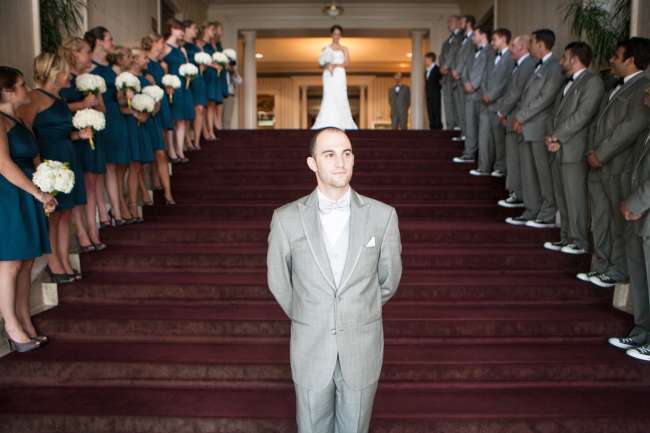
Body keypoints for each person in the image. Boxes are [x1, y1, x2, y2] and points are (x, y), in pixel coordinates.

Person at [267, 127, 402, 433]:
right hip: (310, 346)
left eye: (347, 153)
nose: (340, 162)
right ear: (312, 163)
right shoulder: (285, 219)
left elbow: (389, 280)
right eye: (329, 154)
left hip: (362, 347)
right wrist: (310, 313)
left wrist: (356, 309)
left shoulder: (383, 217)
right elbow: (279, 282)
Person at [578, 37, 650, 289]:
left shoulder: (643, 87)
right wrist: (590, 151)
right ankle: (602, 265)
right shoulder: (613, 87)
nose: (611, 60)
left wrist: (601, 154)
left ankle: (617, 269)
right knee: (598, 219)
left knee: (616, 222)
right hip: (597, 164)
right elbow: (597, 125)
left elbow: (630, 128)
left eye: (616, 56)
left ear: (631, 61)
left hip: (617, 167)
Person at [20, 52, 90, 283]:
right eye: (65, 70)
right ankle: (54, 263)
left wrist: (78, 134)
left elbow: (61, 132)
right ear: (56, 73)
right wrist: (40, 166)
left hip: (68, 156)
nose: (69, 74)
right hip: (49, 161)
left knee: (66, 213)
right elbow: (26, 132)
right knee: (54, 214)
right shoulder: (35, 97)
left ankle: (64, 260)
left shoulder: (60, 99)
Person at [0, 66, 56, 352]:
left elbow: (33, 156)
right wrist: (36, 191)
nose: (27, 89)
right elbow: (4, 164)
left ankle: (24, 318)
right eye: (21, 85)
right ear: (7, 91)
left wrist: (47, 186)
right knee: (10, 263)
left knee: (27, 260)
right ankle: (11, 324)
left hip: (27, 192)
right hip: (8, 194)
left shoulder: (18, 119)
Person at [543, 42, 604, 256]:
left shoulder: (592, 81)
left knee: (575, 197)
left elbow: (583, 115)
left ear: (575, 59)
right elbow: (554, 113)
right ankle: (566, 237)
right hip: (557, 148)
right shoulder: (566, 83)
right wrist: (550, 136)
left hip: (574, 149)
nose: (561, 61)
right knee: (562, 196)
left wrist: (557, 135)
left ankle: (579, 241)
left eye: (564, 57)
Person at [507, 29, 563, 228]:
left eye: (532, 41)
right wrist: (520, 119)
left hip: (539, 128)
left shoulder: (554, 67)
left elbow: (545, 98)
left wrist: (520, 117)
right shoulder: (537, 67)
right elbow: (527, 96)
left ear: (541, 44)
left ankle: (547, 213)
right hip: (527, 127)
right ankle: (531, 210)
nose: (529, 45)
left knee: (543, 174)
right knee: (529, 173)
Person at [60, 37, 107, 253]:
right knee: (79, 186)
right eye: (87, 51)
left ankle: (93, 229)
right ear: (75, 53)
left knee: (91, 185)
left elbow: (103, 111)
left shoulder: (90, 80)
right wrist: (81, 104)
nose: (90, 56)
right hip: (74, 138)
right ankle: (81, 232)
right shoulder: (63, 79)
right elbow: (57, 110)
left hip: (91, 136)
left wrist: (96, 103)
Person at [614, 84, 650, 361]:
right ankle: (642, 330)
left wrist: (636, 203)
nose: (646, 91)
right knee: (640, 277)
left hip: (645, 211)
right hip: (638, 215)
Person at [85, 26, 131, 226]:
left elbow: (117, 98)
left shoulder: (112, 68)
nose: (112, 43)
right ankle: (105, 213)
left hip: (115, 117)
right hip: (98, 118)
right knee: (102, 166)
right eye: (109, 39)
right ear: (99, 41)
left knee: (114, 164)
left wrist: (125, 95)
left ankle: (116, 210)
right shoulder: (89, 68)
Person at [496, 35, 535, 209]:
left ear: (522, 47)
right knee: (513, 159)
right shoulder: (519, 65)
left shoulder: (527, 65)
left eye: (513, 45)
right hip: (513, 118)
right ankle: (516, 193)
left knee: (516, 160)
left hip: (517, 119)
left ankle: (518, 194)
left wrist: (501, 111)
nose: (510, 48)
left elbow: (516, 92)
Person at [473, 28, 513, 177]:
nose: (492, 42)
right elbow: (484, 76)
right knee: (484, 137)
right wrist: (484, 93)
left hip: (499, 103)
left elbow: (506, 81)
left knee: (499, 140)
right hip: (485, 102)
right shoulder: (491, 55)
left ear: (503, 38)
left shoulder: (510, 57)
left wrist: (492, 95)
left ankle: (500, 167)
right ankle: (483, 167)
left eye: (495, 39)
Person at [453, 26, 491, 164]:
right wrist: (466, 82)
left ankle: (478, 158)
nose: (472, 37)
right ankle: (469, 154)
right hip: (469, 94)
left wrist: (474, 84)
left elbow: (487, 72)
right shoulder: (472, 52)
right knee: (470, 126)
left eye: (475, 35)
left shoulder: (490, 51)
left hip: (481, 95)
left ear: (483, 35)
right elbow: (464, 69)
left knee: (481, 129)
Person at [312, 25, 357, 130]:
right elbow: (320, 64)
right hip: (328, 74)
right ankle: (327, 120)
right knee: (329, 95)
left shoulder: (344, 48)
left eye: (339, 34)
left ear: (340, 35)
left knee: (340, 95)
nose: (337, 36)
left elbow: (347, 63)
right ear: (331, 35)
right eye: (335, 34)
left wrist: (335, 65)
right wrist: (327, 65)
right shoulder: (325, 48)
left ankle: (342, 122)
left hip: (339, 74)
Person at [162, 18, 193, 164]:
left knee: (181, 120)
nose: (182, 32)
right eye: (180, 29)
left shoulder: (182, 49)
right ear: (172, 29)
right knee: (172, 119)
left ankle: (180, 150)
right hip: (171, 88)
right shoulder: (164, 47)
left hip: (183, 87)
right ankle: (172, 151)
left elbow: (187, 65)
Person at [182, 20, 207, 151]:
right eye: (193, 28)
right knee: (187, 110)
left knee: (200, 109)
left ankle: (196, 140)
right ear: (185, 29)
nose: (196, 31)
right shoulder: (182, 45)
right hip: (187, 78)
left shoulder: (197, 44)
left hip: (198, 77)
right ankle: (187, 140)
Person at [450, 15, 476, 142]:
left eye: (462, 21)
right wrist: (454, 69)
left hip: (466, 77)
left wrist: (458, 70)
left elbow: (467, 57)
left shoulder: (473, 38)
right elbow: (458, 56)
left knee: (467, 110)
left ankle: (468, 136)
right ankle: (464, 133)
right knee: (461, 109)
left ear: (469, 23)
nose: (459, 23)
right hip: (459, 78)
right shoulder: (462, 38)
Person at [439, 15, 462, 130]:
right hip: (446, 76)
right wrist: (442, 67)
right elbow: (442, 55)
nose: (448, 23)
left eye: (451, 21)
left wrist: (447, 65)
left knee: (457, 103)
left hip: (456, 75)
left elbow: (454, 53)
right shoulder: (447, 40)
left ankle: (458, 126)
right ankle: (450, 127)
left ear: (458, 22)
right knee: (448, 103)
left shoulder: (462, 37)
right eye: (448, 21)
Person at [424, 52, 442, 130]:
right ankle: (432, 129)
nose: (425, 61)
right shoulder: (426, 71)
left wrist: (437, 89)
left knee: (436, 111)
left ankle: (438, 130)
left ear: (430, 59)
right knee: (430, 112)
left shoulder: (437, 69)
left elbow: (441, 81)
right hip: (428, 95)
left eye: (426, 59)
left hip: (435, 94)